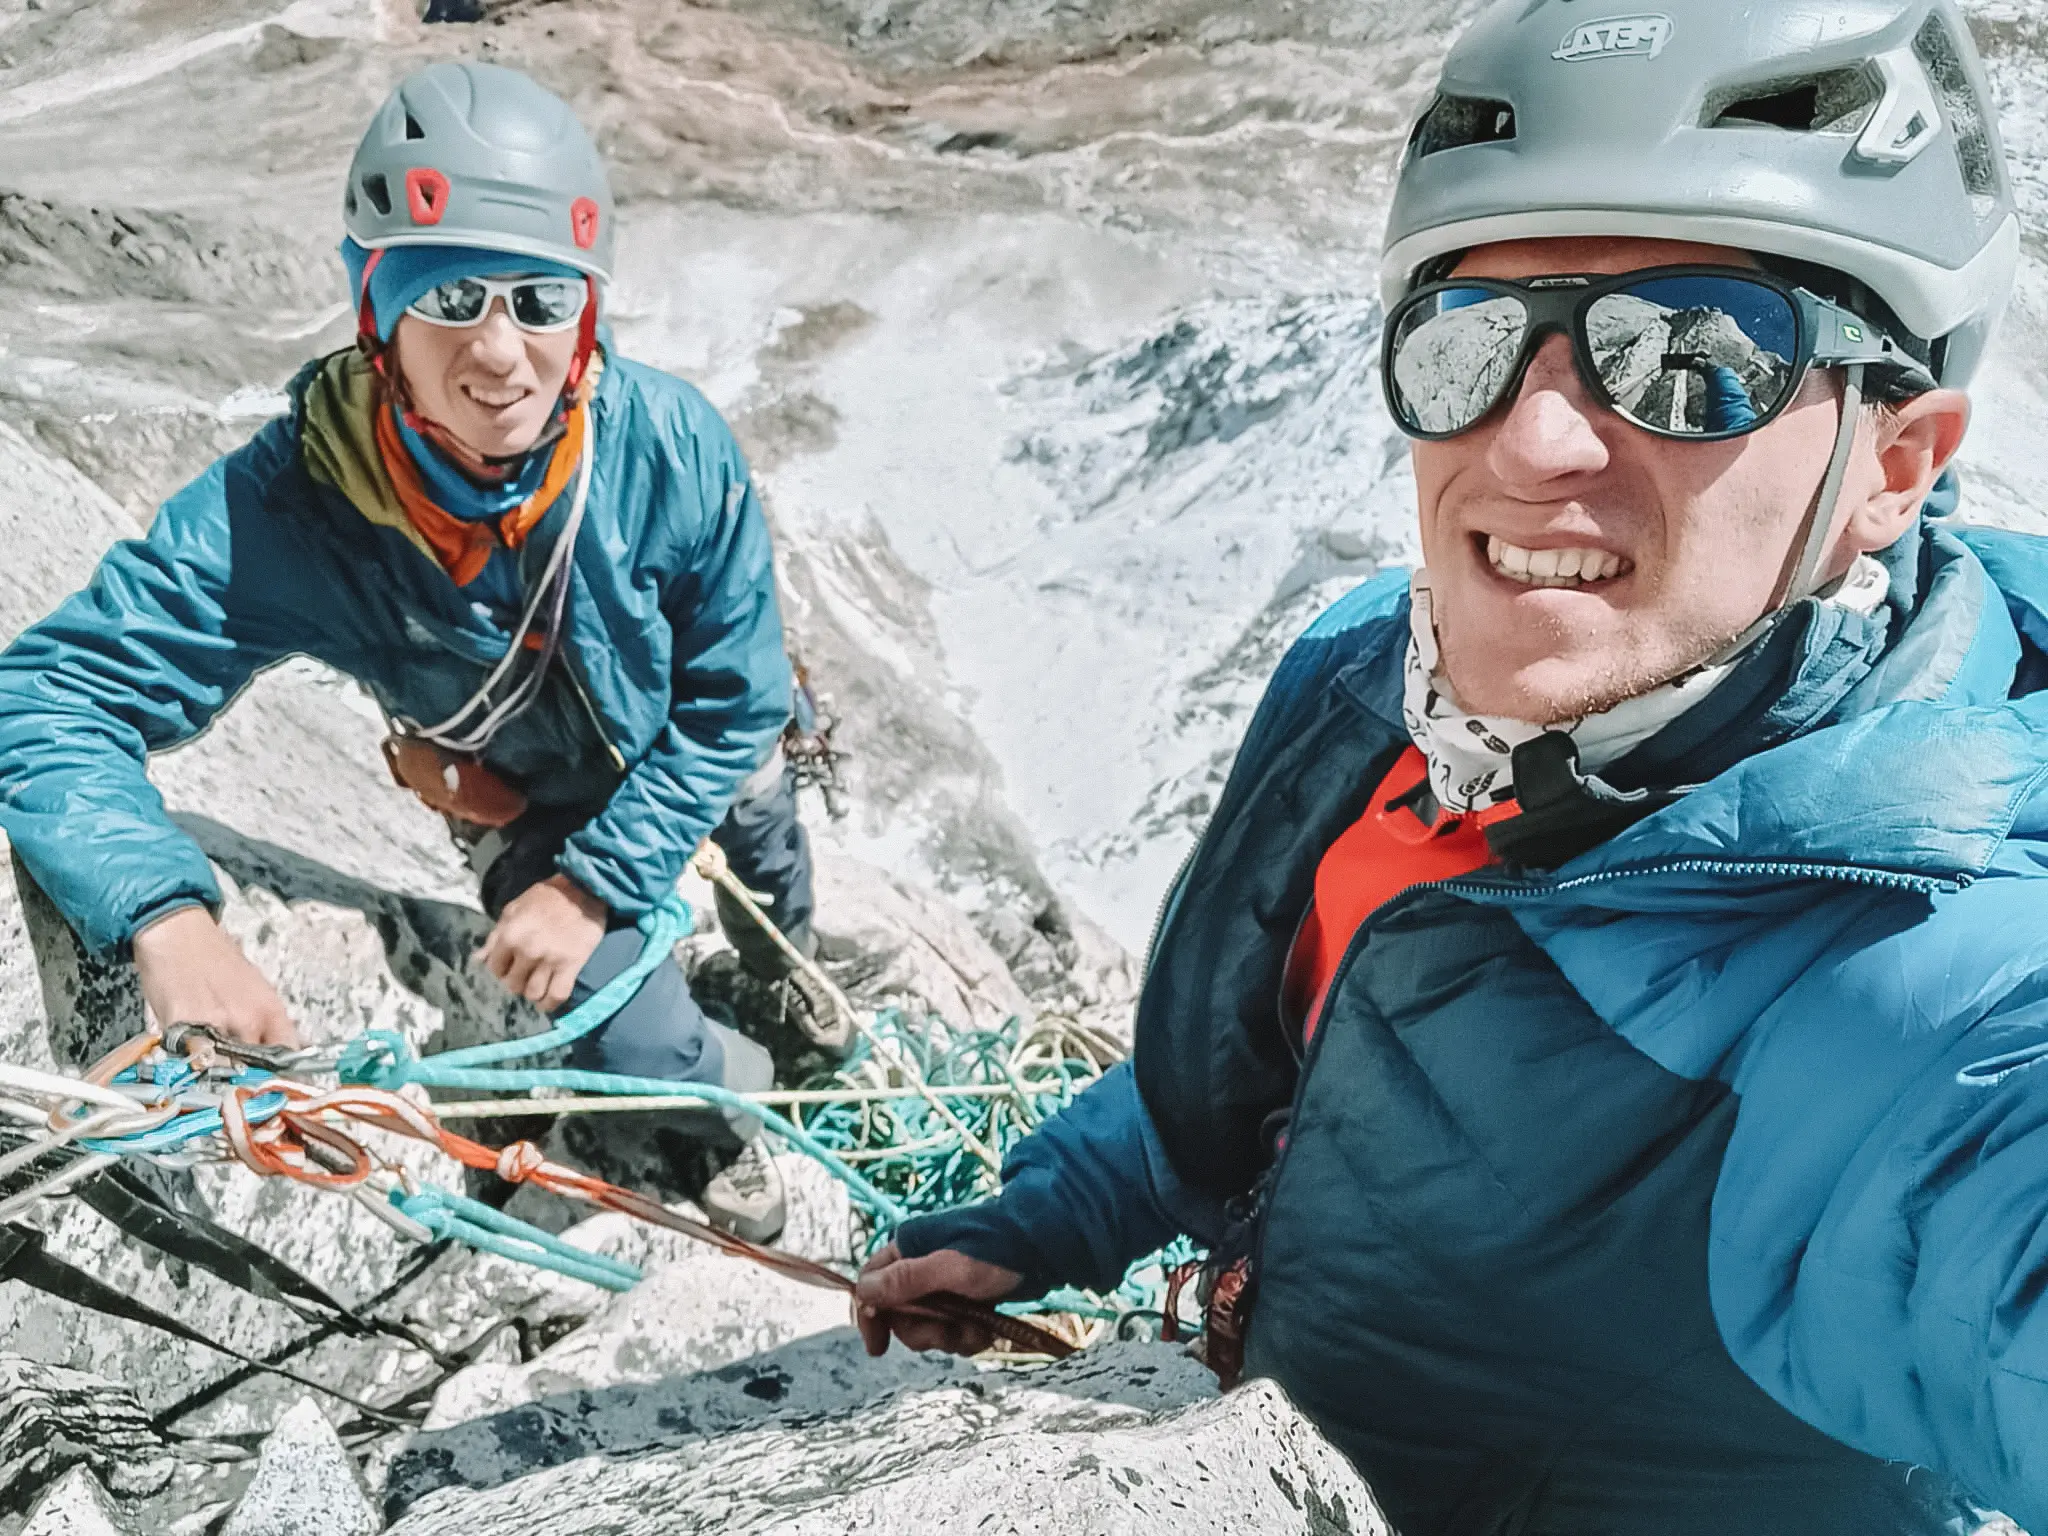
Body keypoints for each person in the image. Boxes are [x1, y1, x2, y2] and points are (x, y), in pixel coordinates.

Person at [857, 2, 2048, 1530]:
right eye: (1472, 339)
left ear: (1893, 465)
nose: (1537, 438)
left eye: (1692, 351)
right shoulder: (1390, 692)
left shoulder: (1912, 969)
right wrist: (1060, 1212)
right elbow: (1295, 1044)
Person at [0, 61, 837, 1242]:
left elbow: (734, 702)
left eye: (541, 302)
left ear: (585, 314)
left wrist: (603, 881)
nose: (500, 354)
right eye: (451, 299)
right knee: (634, 1031)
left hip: (700, 747)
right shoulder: (294, 510)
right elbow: (50, 694)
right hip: (530, 800)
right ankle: (710, 1121)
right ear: (378, 310)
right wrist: (163, 917)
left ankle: (777, 970)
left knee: (771, 870)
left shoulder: (669, 447)